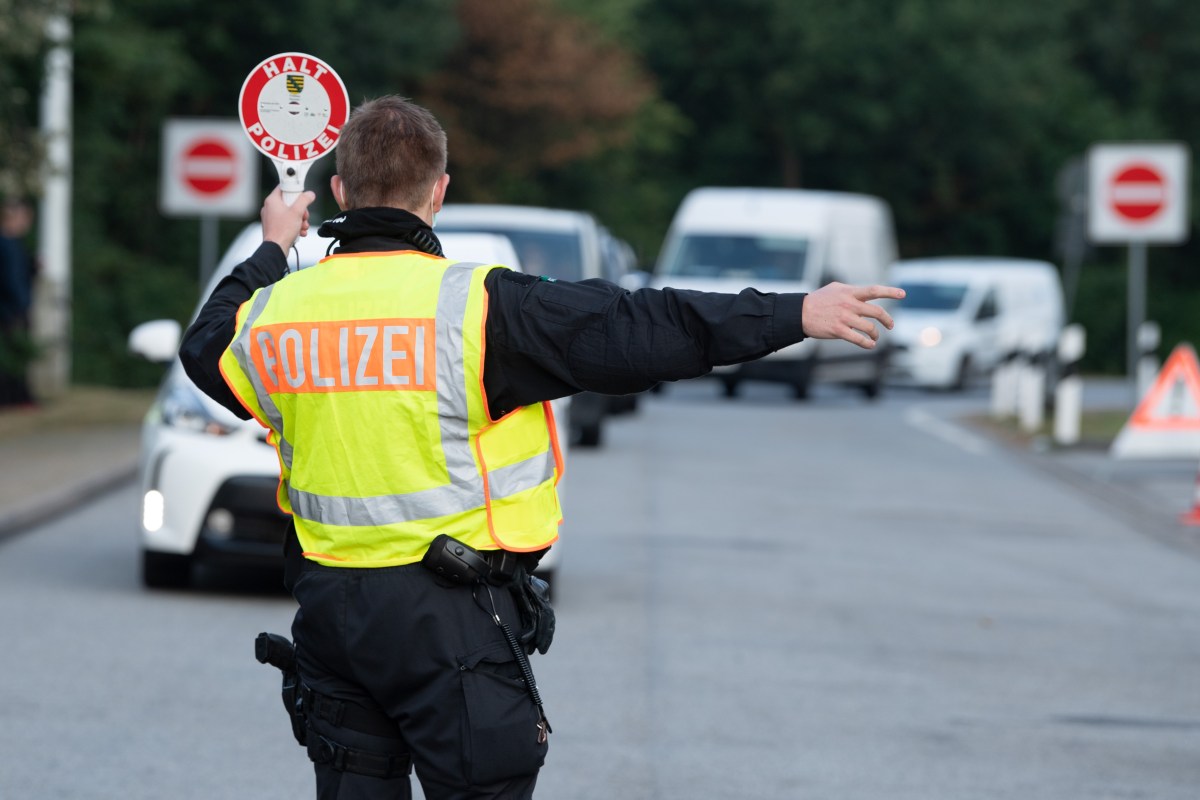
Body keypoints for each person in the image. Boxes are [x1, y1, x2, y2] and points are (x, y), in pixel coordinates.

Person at [179, 95, 904, 800]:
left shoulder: (274, 315)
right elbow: (642, 326)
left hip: (333, 616)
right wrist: (794, 313)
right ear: (439, 192)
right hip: (449, 619)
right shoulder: (481, 306)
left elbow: (205, 343)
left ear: (339, 189)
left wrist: (273, 245)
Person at [0, 198, 36, 406]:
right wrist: (23, 305)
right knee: (14, 357)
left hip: (12, 308)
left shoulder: (14, 244)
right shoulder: (7, 244)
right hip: (11, 311)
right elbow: (12, 280)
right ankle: (15, 399)